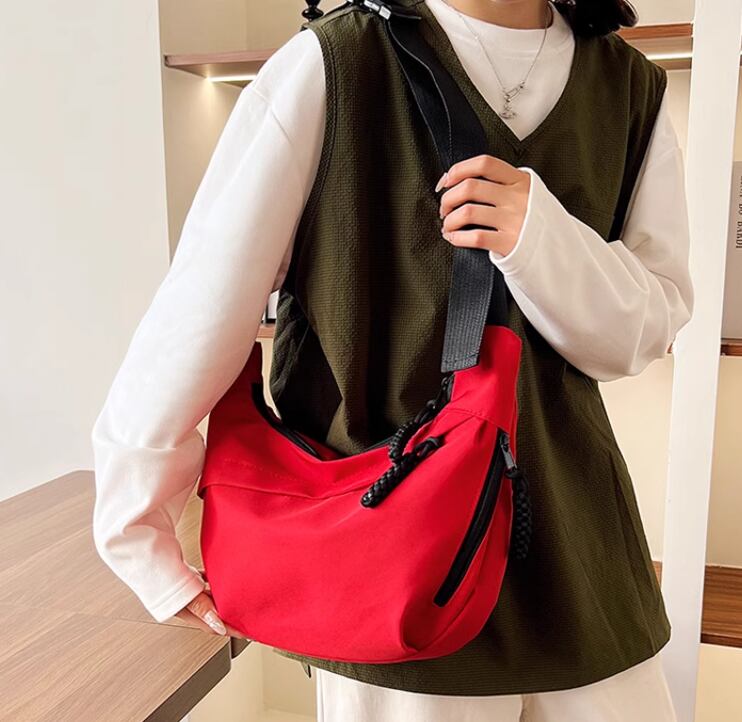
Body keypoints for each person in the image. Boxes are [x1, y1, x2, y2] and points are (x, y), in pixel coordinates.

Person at [91, 0, 694, 720]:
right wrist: (135, 523)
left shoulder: (629, 86)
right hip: (388, 555)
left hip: (577, 556)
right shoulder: (334, 64)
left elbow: (644, 331)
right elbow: (204, 303)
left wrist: (539, 237)